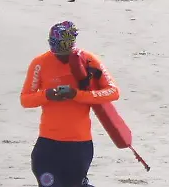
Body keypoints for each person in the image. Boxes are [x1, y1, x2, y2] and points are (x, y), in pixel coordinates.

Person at [20, 21, 120, 187]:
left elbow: (113, 91)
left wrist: (77, 95)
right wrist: (47, 95)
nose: (63, 58)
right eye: (58, 54)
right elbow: (26, 99)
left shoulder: (88, 60)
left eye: (67, 53)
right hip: (47, 144)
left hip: (79, 146)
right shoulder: (40, 63)